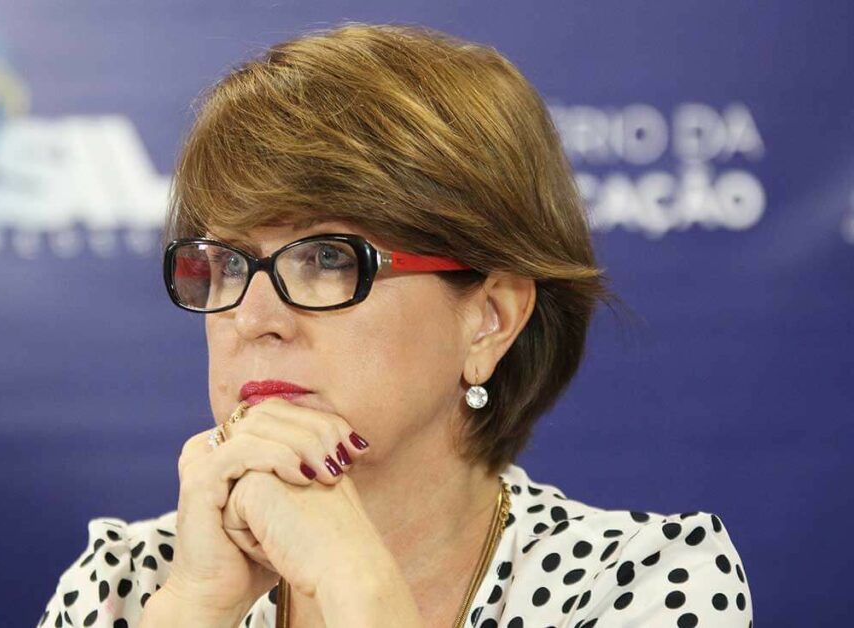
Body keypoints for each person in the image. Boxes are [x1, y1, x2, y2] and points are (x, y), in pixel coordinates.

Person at [38, 22, 753, 628]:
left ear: (490, 320)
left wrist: (359, 588)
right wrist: (197, 607)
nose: (252, 318)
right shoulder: (128, 584)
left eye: (325, 258)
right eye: (225, 263)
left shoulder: (641, 582)